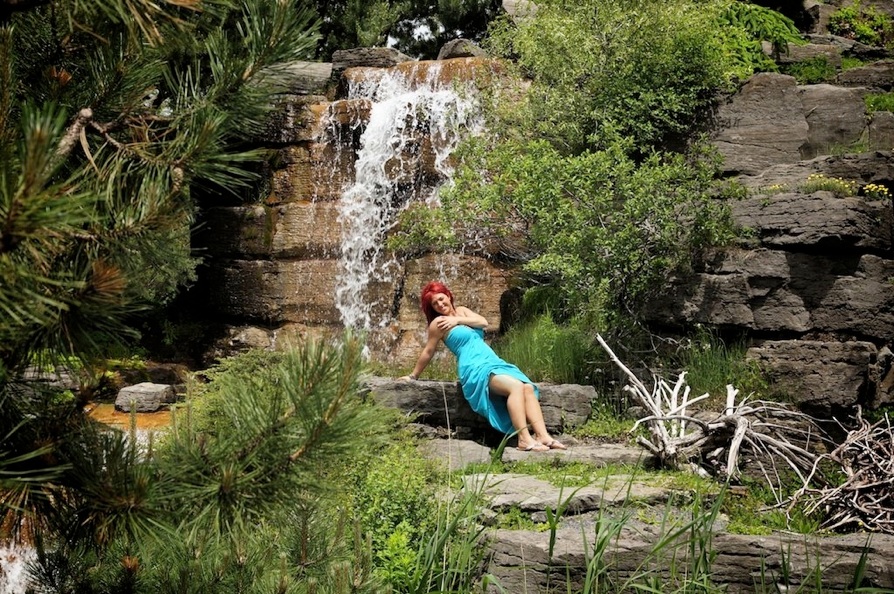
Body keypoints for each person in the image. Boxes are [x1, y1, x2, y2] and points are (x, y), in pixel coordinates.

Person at [400, 281, 567, 452]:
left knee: (527, 388)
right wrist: (413, 376)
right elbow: (428, 351)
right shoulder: (439, 323)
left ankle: (543, 436)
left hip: (493, 361)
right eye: (434, 304)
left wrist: (456, 319)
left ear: (448, 296)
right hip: (474, 367)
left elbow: (483, 322)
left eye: (441, 299)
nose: (440, 304)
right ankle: (523, 439)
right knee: (515, 387)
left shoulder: (462, 311)